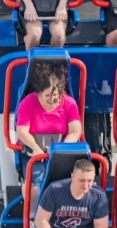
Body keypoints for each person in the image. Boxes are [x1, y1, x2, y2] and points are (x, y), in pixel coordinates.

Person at [16, 62, 82, 197]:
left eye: (56, 97)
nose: (51, 100)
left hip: (60, 148)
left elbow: (75, 130)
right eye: (47, 96)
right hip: (33, 149)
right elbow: (22, 131)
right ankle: (33, 215)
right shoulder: (28, 102)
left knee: (70, 183)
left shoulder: (69, 103)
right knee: (35, 186)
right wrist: (36, 148)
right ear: (39, 92)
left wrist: (61, 148)